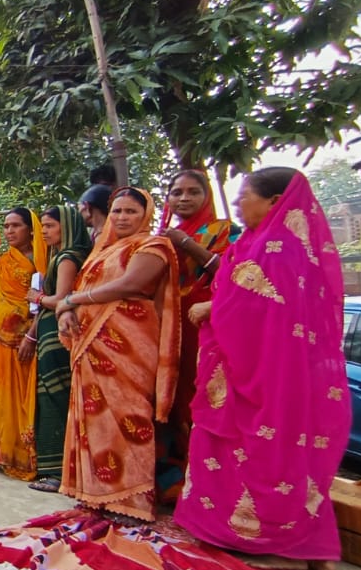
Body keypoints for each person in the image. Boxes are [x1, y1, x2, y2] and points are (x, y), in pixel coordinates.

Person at [176, 168, 348, 567]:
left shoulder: (278, 248)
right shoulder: (263, 243)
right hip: (253, 371)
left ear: (274, 202)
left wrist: (211, 309)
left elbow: (264, 310)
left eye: (245, 197)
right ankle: (238, 531)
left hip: (263, 375)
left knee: (259, 452)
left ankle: (256, 534)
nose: (238, 205)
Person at [55, 187, 179, 523]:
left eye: (131, 212)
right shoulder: (100, 252)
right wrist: (66, 311)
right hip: (90, 343)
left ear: (146, 215)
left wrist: (74, 301)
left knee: (130, 416)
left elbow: (130, 284)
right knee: (93, 419)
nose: (122, 218)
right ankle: (96, 494)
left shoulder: (154, 245)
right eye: (117, 212)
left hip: (130, 344)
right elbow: (76, 294)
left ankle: (133, 500)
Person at [156, 169, 239, 502]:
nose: (184, 198)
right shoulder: (162, 234)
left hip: (208, 325)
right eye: (176, 192)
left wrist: (186, 244)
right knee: (170, 398)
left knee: (203, 398)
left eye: (193, 192)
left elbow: (236, 273)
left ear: (207, 196)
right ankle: (171, 481)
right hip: (169, 325)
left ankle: (206, 485)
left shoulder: (224, 231)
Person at [26, 206, 90, 493]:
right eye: (43, 227)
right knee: (51, 396)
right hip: (51, 332)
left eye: (50, 226)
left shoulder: (66, 258)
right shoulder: (59, 256)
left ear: (66, 226)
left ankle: (58, 472)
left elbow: (62, 299)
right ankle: (56, 470)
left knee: (56, 397)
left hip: (58, 334)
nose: (45, 232)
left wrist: (38, 297)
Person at [0, 208, 48, 480]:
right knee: (0, 392)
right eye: (6, 226)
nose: (9, 231)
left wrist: (31, 334)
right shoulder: (4, 260)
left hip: (24, 338)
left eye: (16, 226)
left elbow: (41, 301)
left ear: (31, 229)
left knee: (21, 394)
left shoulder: (42, 259)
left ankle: (21, 454)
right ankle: (0, 450)